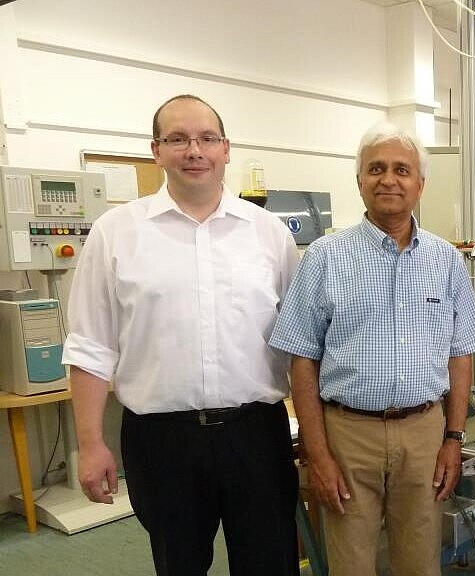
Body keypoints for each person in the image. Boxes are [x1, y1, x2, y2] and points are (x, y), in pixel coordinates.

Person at [63, 94, 300, 576]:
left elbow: (299, 343)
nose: (194, 150)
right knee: (178, 563)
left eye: (207, 138)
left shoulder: (269, 234)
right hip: (161, 441)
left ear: (226, 149)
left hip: (256, 435)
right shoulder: (115, 233)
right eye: (177, 139)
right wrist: (90, 443)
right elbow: (90, 346)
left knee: (270, 563)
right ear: (156, 150)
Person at [269, 122, 475, 575]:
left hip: (425, 431)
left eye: (402, 169)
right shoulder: (326, 258)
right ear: (360, 181)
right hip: (348, 435)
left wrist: (453, 438)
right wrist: (318, 452)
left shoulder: (446, 260)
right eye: (377, 169)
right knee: (350, 564)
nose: (389, 179)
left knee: (421, 561)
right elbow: (301, 360)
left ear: (420, 184)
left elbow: (461, 354)